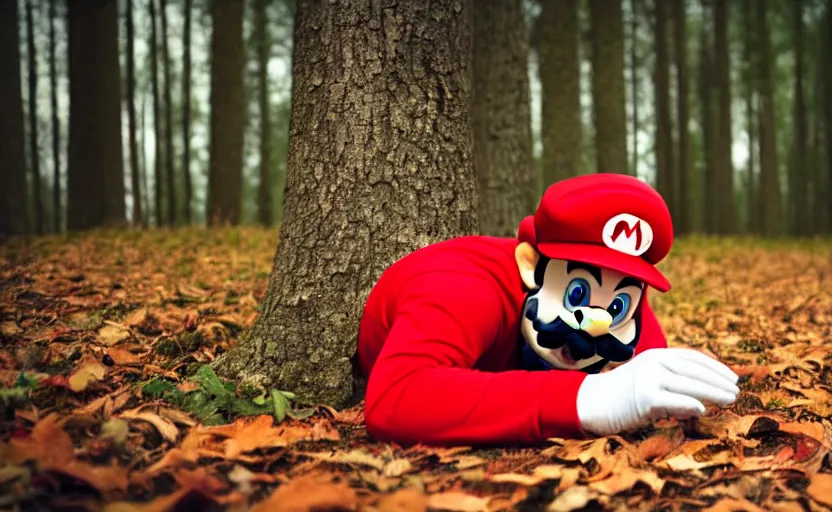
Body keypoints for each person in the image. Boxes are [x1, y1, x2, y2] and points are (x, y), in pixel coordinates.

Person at [357, 174, 739, 446]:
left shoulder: (616, 316)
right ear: (529, 264)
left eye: (619, 303)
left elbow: (644, 355)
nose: (598, 319)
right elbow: (396, 397)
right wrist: (585, 400)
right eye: (577, 293)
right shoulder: (462, 286)